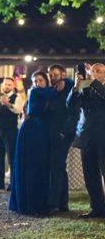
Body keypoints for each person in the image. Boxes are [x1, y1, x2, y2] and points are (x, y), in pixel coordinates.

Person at [9, 71, 56, 215]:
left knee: (40, 166)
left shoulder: (44, 93)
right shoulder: (35, 92)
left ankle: (39, 201)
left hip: (42, 132)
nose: (37, 83)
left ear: (46, 81)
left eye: (41, 80)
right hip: (31, 133)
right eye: (35, 81)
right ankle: (30, 203)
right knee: (30, 166)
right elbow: (53, 92)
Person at [67, 63, 105, 218]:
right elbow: (71, 104)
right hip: (87, 136)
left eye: (99, 71)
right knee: (90, 175)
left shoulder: (98, 86)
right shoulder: (85, 87)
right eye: (94, 71)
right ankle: (97, 208)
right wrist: (76, 87)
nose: (95, 73)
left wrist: (93, 80)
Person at [47, 65, 79, 212]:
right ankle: (62, 203)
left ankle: (54, 203)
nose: (52, 77)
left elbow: (74, 112)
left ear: (63, 75)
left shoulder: (71, 88)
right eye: (51, 75)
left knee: (57, 165)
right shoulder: (52, 91)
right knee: (58, 166)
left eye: (55, 74)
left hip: (65, 133)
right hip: (52, 132)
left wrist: (65, 132)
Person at [0, 77, 22, 190]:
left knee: (11, 157)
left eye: (9, 84)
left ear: (12, 86)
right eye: (5, 84)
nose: (7, 86)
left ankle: (13, 183)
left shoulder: (17, 97)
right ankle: (0, 182)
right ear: (2, 85)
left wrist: (8, 104)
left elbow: (18, 110)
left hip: (10, 131)